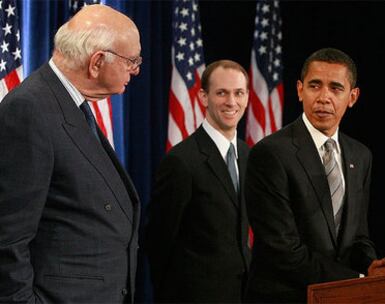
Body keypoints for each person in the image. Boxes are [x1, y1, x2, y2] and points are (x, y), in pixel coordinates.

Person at [0, 4, 142, 303]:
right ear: (97, 62)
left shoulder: (68, 103)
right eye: (131, 60)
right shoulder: (30, 109)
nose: (136, 70)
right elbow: (7, 236)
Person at [244, 48, 385, 303]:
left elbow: (357, 236)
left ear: (352, 96)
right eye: (314, 86)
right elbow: (283, 251)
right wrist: (358, 280)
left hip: (341, 296)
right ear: (300, 90)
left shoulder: (360, 155)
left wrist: (374, 267)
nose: (323, 97)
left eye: (335, 88)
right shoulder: (271, 153)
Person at [145, 60, 251, 303]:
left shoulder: (248, 156)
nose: (231, 102)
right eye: (222, 93)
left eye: (239, 93)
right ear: (203, 97)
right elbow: (159, 240)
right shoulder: (182, 160)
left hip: (242, 293)